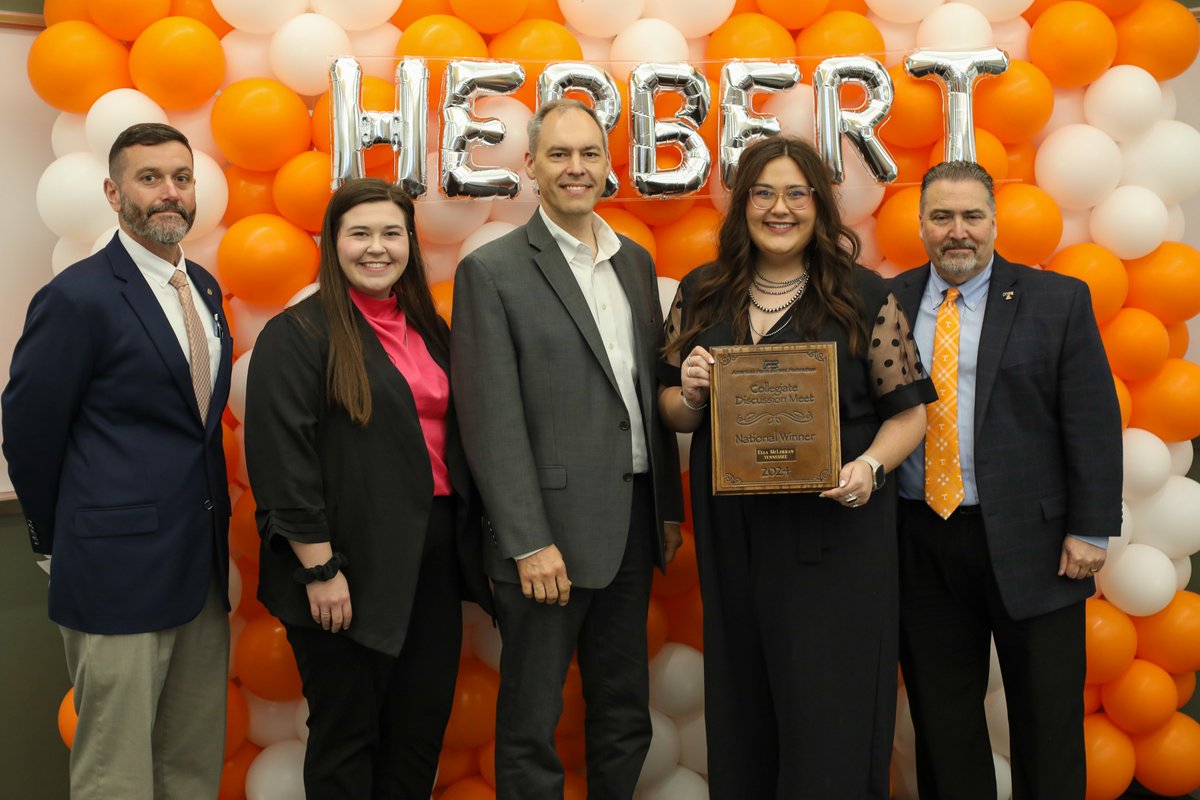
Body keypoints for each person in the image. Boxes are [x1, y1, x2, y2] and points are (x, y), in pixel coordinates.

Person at [659, 135, 934, 798]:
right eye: (762, 192)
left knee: (830, 713)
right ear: (741, 205)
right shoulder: (701, 293)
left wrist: (870, 466)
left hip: (838, 535)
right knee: (745, 705)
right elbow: (671, 409)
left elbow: (911, 414)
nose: (779, 208)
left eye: (796, 193)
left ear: (819, 205)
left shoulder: (865, 295)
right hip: (737, 536)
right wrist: (692, 392)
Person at [450, 98, 684, 800]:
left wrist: (665, 507)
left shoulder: (635, 264)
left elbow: (641, 397)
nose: (575, 168)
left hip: (633, 525)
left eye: (588, 153)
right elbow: (489, 420)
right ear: (531, 166)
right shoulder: (491, 271)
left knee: (623, 717)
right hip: (545, 543)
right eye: (559, 154)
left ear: (607, 166)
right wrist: (526, 541)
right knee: (531, 724)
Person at [2, 122, 232, 798]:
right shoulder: (77, 298)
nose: (169, 193)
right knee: (116, 772)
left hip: (200, 569)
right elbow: (29, 432)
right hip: (113, 572)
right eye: (150, 178)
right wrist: (60, 540)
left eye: (181, 178)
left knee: (191, 764)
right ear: (113, 191)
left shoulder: (207, 290)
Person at [244, 178, 492, 799]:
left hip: (431, 559)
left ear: (410, 241)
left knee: (417, 731)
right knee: (347, 737)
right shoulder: (296, 335)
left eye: (391, 233)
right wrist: (320, 568)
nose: (376, 248)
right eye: (359, 233)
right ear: (333, 244)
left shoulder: (428, 327)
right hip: (343, 564)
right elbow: (281, 462)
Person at [889, 160, 1122, 799]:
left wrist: (1090, 529)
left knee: (1046, 723)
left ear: (994, 222)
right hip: (921, 540)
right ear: (921, 226)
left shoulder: (1057, 300)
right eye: (941, 217)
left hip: (1039, 545)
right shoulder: (889, 301)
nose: (956, 231)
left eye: (971, 216)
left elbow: (1092, 419)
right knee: (943, 721)